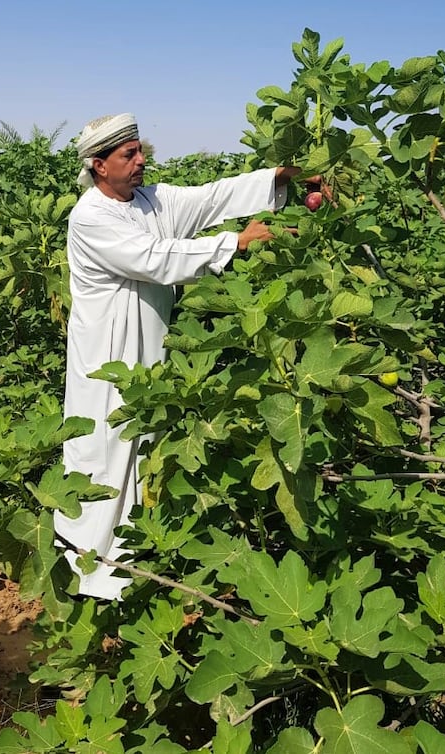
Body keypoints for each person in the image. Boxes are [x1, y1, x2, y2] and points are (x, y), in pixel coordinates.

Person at [54, 112, 300, 600]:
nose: (141, 161)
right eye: (129, 155)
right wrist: (236, 243)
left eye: (140, 151)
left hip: (148, 352)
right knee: (105, 450)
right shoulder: (91, 217)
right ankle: (87, 566)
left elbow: (209, 197)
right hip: (107, 358)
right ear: (99, 165)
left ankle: (135, 561)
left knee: (144, 445)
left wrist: (278, 177)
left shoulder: (150, 201)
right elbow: (155, 259)